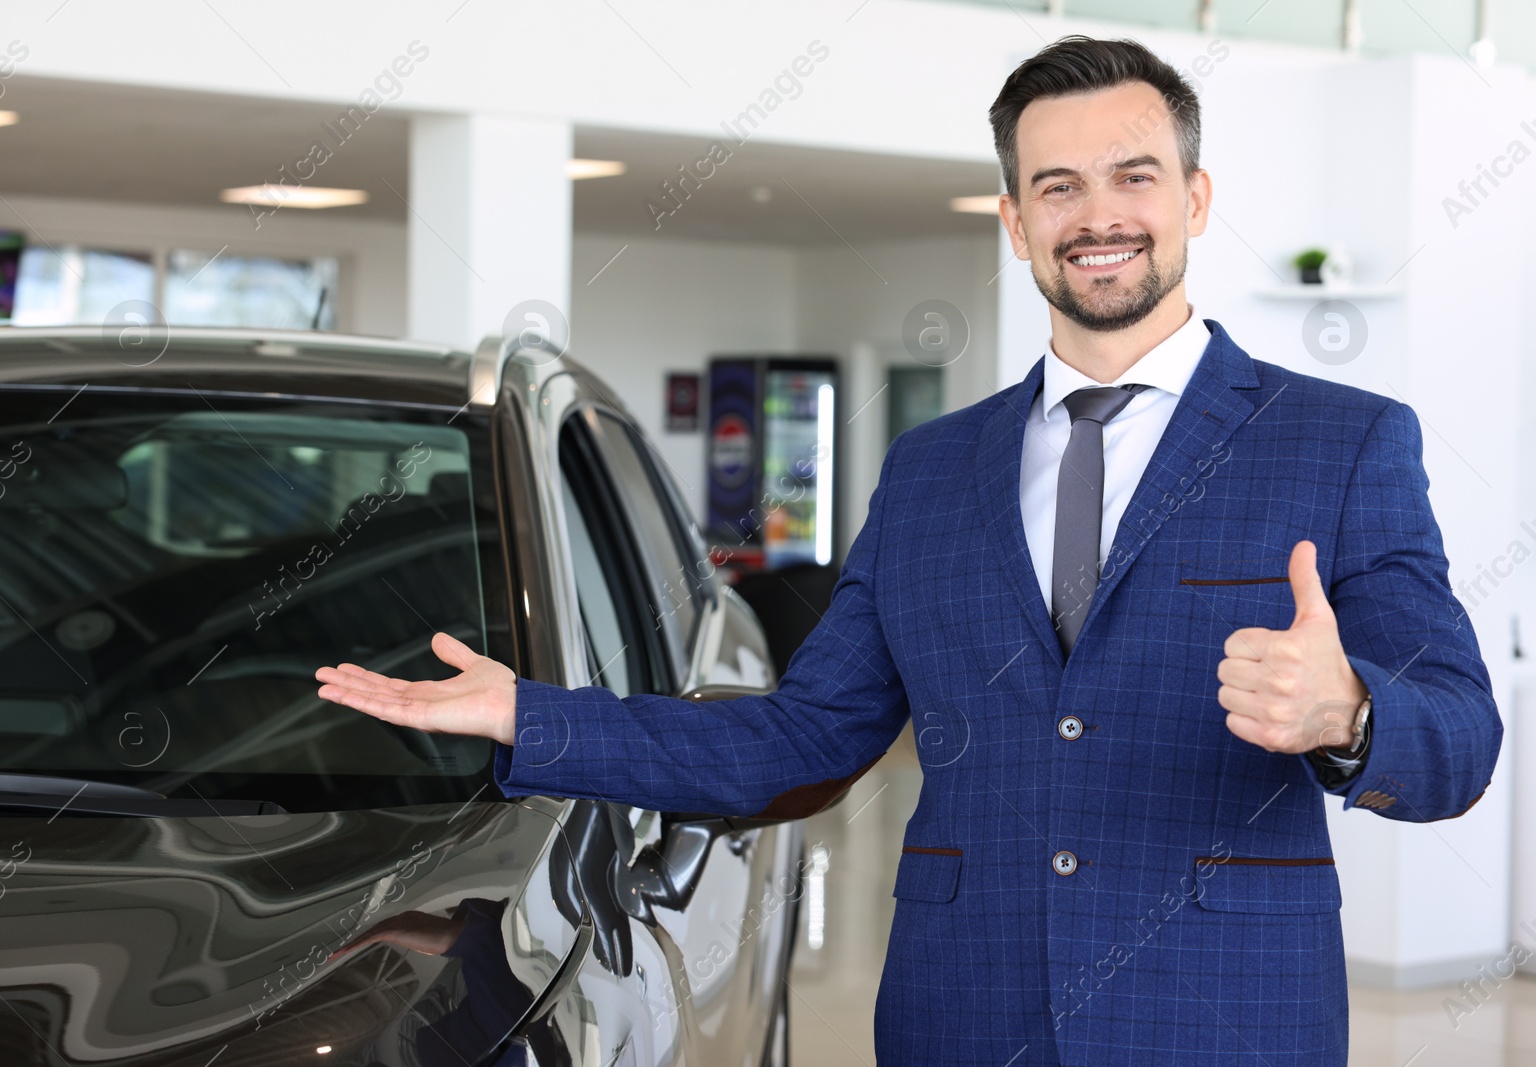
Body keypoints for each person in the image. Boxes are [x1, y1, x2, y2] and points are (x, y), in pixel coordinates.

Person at [316, 34, 1501, 1066]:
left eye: (1132, 177)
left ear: (1193, 197)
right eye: (1057, 186)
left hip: (1224, 1017)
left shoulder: (1340, 443)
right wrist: (535, 716)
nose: (1097, 216)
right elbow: (805, 736)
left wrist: (1350, 712)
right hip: (963, 1015)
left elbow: (1459, 736)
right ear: (1015, 218)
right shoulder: (933, 468)